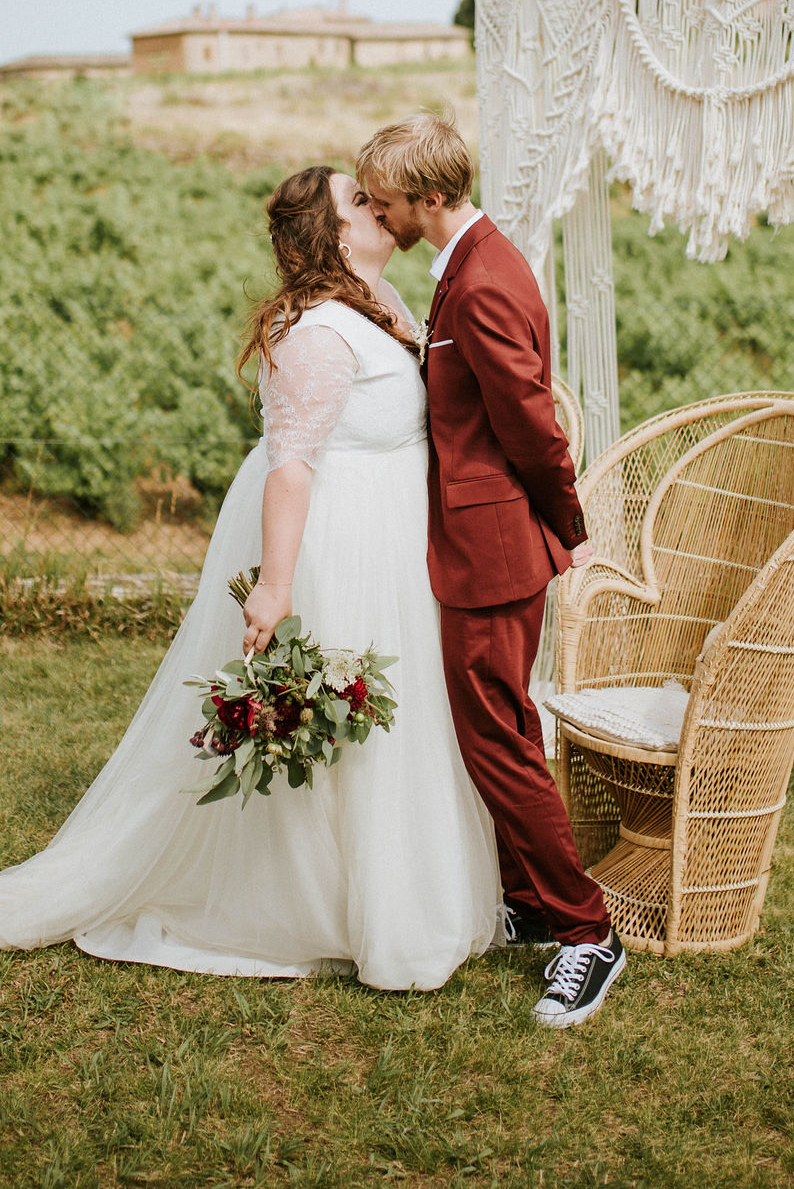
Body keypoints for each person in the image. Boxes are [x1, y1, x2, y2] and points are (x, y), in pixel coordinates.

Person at [0, 167, 502, 990]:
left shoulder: (383, 305)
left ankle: (404, 893)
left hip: (393, 542)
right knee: (350, 725)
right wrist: (275, 586)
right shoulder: (313, 331)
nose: (379, 206)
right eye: (359, 201)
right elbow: (292, 467)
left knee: (397, 726)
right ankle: (320, 903)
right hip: (336, 545)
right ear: (334, 234)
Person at [357, 111, 626, 1028]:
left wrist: (570, 523)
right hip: (484, 541)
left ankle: (587, 934)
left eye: (383, 198)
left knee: (499, 743)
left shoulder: (479, 284)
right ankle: (527, 900)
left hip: (495, 549)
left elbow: (532, 423)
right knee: (498, 731)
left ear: (428, 197)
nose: (376, 210)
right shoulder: (470, 265)